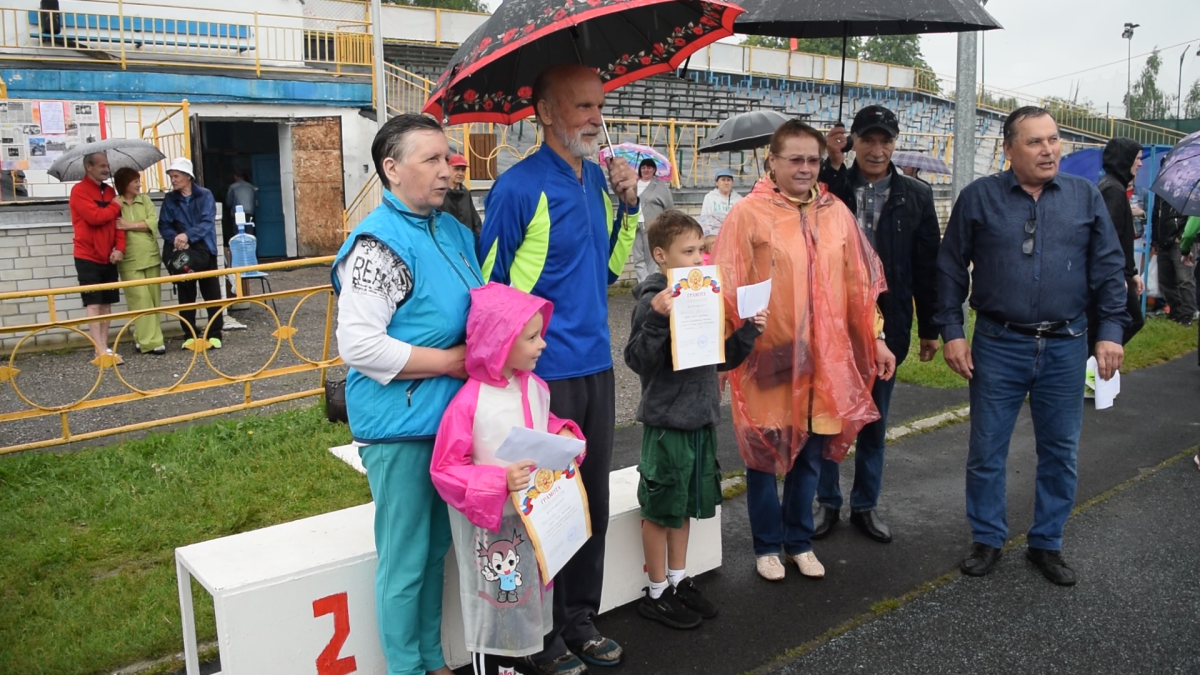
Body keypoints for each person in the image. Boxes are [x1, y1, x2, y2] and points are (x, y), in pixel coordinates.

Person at [479, 63, 639, 675]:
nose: (596, 118)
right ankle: (538, 633)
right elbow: (490, 287)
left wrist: (628, 206)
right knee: (542, 505)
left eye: (599, 105)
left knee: (589, 499)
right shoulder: (518, 188)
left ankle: (579, 619)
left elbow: (607, 272)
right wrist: (504, 369)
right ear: (546, 112)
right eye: (582, 107)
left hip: (596, 366)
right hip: (541, 378)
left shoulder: (597, 180)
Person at [935, 107, 1129, 587]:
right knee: (986, 449)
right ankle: (987, 537)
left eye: (1053, 139)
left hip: (1066, 345)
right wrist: (952, 331)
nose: (1048, 150)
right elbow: (950, 267)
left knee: (1060, 451)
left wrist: (1110, 331)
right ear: (1008, 149)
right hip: (999, 343)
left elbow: (1109, 268)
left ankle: (1047, 542)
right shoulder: (979, 198)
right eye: (1035, 142)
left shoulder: (1084, 197)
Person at [333, 113, 482, 675]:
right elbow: (359, 345)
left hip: (450, 423)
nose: (446, 170)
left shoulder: (453, 231)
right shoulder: (378, 245)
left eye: (447, 158)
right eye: (431, 159)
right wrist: (449, 362)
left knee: (437, 549)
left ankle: (431, 660)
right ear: (392, 169)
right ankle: (405, 667)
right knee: (406, 559)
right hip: (401, 425)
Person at [713, 120, 893, 583]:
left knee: (811, 453)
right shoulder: (748, 214)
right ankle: (766, 545)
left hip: (823, 357)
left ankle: (798, 541)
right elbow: (726, 284)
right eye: (795, 159)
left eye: (813, 159)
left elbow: (859, 285)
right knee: (764, 453)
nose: (805, 168)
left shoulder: (835, 213)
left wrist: (875, 337)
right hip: (767, 354)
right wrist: (722, 355)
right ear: (771, 161)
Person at [430, 282, 583, 675]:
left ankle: (518, 661)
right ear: (500, 343)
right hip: (490, 531)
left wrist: (563, 432)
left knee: (522, 596)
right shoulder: (470, 403)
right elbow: (445, 469)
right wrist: (497, 481)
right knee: (492, 608)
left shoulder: (535, 386)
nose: (542, 344)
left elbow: (540, 424)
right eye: (531, 337)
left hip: (531, 523)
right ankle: (494, 665)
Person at [624, 210, 766, 628]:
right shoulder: (652, 301)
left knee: (683, 505)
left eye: (701, 250)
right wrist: (657, 317)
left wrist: (748, 332)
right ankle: (655, 593)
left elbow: (718, 358)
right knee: (660, 510)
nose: (699, 259)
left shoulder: (703, 293)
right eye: (688, 252)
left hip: (701, 419)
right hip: (667, 425)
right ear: (661, 255)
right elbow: (637, 360)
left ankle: (678, 579)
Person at [815, 105, 942, 544]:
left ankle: (865, 504)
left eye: (885, 140)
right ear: (852, 141)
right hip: (834, 320)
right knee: (829, 417)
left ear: (894, 143)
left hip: (891, 325)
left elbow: (927, 268)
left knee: (875, 421)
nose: (876, 149)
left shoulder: (917, 195)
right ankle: (827, 502)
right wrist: (831, 164)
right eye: (867, 139)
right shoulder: (830, 185)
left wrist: (930, 327)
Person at [158, 157, 224, 350]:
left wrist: (187, 235)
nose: (173, 180)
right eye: (171, 176)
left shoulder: (205, 195)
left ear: (188, 176)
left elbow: (207, 222)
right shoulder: (170, 199)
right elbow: (163, 224)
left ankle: (215, 334)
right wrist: (176, 238)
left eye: (176, 176)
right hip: (182, 252)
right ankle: (189, 334)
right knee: (186, 295)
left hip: (205, 250)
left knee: (212, 294)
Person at [69, 151, 126, 363]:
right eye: (102, 166)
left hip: (109, 256)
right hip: (87, 256)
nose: (106, 169)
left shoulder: (110, 191)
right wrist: (115, 205)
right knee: (93, 304)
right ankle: (98, 348)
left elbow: (119, 224)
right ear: (89, 167)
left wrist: (120, 248)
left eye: (107, 165)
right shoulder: (79, 191)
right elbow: (95, 217)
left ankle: (104, 346)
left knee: (107, 304)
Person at [1095, 137, 1145, 347]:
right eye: (1137, 158)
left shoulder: (1114, 186)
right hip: (1114, 272)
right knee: (1131, 319)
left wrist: (1132, 272)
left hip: (1119, 271)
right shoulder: (1113, 190)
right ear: (1125, 159)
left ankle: (1094, 358)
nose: (1140, 164)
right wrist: (1118, 275)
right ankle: (1092, 359)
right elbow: (1109, 237)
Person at [112, 167, 165, 355]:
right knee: (140, 301)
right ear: (124, 183)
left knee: (154, 300)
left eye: (138, 180)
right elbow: (114, 227)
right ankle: (152, 342)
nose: (138, 184)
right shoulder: (116, 203)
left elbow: (152, 223)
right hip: (129, 259)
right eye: (134, 181)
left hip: (150, 255)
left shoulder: (145, 200)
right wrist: (136, 226)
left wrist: (129, 225)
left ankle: (141, 337)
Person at [1153, 188, 1195, 326]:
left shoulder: (1191, 191)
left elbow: (1193, 217)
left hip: (1180, 241)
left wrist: (1182, 236)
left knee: (1184, 279)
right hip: (1162, 241)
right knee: (1165, 280)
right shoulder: (1161, 193)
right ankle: (1176, 312)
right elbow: (1155, 216)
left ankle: (1188, 314)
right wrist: (1155, 240)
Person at [629, 158, 675, 283]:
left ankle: (651, 283)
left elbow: (669, 207)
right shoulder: (634, 183)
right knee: (638, 257)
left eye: (649, 167)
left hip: (651, 226)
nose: (646, 170)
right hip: (634, 224)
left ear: (654, 170)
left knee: (651, 257)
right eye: (643, 167)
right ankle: (643, 284)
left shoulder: (660, 186)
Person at [443, 154, 482, 242]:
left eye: (463, 170)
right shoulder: (440, 194)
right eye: (456, 169)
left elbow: (476, 222)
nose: (460, 173)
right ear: (447, 169)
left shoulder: (466, 193)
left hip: (466, 243)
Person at [698, 168, 742, 248]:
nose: (726, 183)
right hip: (714, 237)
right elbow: (704, 218)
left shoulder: (739, 199)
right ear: (716, 182)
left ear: (732, 183)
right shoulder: (709, 197)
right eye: (723, 180)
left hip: (733, 235)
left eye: (728, 180)